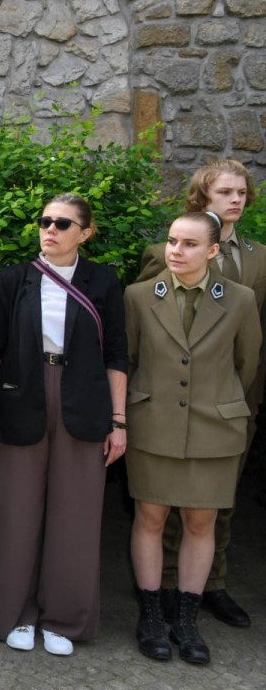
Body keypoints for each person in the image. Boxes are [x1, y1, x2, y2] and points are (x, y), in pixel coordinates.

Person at [0, 194, 128, 657]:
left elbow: (116, 354)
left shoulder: (103, 281)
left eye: (63, 224)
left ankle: (64, 619)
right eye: (45, 221)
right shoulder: (15, 278)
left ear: (85, 233)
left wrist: (118, 420)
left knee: (76, 513)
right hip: (19, 398)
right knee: (16, 512)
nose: (50, 230)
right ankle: (16, 614)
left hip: (84, 400)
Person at [125, 211, 261, 665]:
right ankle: (150, 616)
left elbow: (247, 364)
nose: (176, 251)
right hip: (153, 425)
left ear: (213, 250)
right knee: (150, 518)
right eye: (172, 241)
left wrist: (218, 401)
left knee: (201, 523)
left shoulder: (240, 299)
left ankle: (186, 620)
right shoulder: (139, 296)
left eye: (188, 244)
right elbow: (128, 359)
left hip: (213, 429)